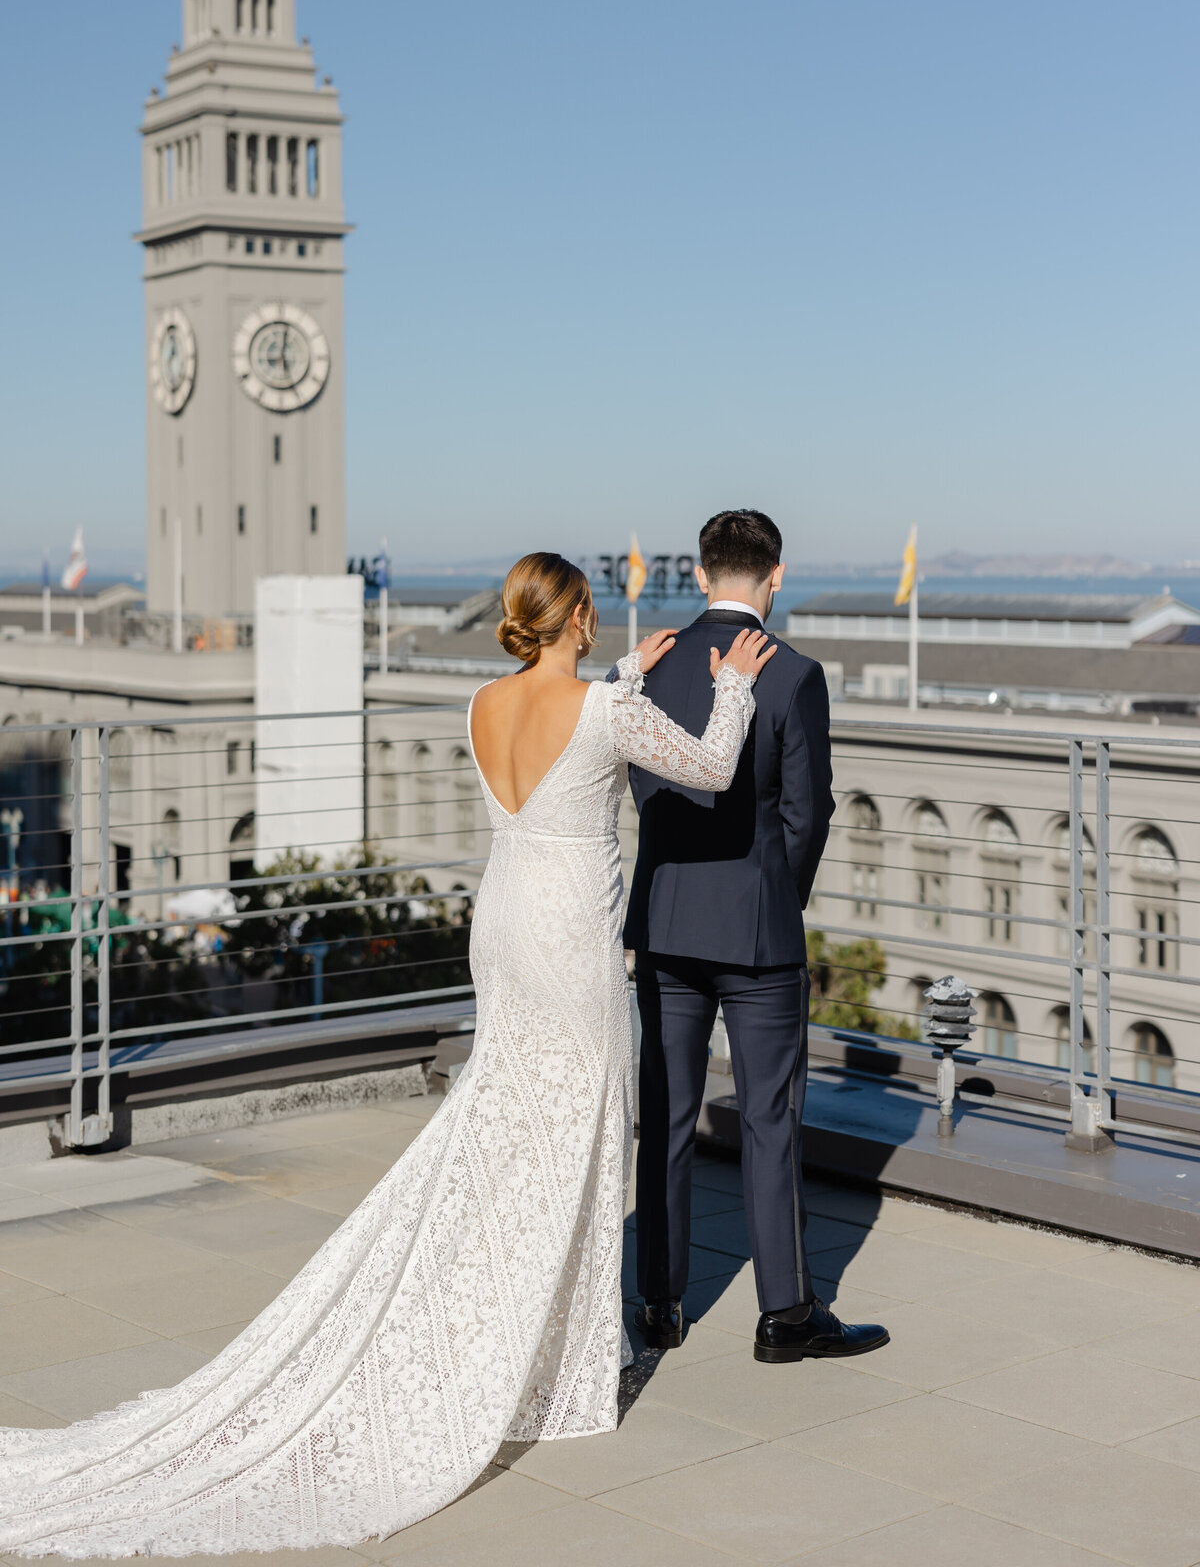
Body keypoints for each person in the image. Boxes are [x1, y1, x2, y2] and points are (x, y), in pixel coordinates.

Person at [0, 552, 772, 1557]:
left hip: (499, 928)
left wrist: (626, 675)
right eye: (591, 617)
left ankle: (531, 1339)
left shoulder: (483, 705)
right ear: (579, 616)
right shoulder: (605, 711)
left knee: (507, 1128)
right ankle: (558, 1372)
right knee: (576, 1138)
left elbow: (565, 736)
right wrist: (735, 688)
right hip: (571, 936)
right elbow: (708, 766)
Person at [622, 509, 889, 1364]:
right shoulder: (794, 673)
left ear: (700, 576)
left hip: (664, 922)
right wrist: (781, 895)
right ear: (777, 575)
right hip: (758, 931)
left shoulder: (650, 668)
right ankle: (785, 1315)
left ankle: (657, 1304)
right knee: (770, 1119)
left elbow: (643, 792)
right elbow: (808, 811)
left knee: (664, 1117)